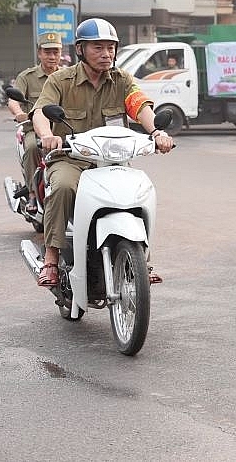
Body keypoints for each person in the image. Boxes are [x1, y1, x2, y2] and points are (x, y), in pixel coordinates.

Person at [31, 18, 174, 288]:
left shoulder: (122, 81)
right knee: (61, 187)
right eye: (98, 47)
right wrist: (47, 136)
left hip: (112, 161)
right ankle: (51, 258)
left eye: (110, 47)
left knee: (139, 191)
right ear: (81, 49)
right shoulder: (61, 80)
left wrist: (157, 132)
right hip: (72, 159)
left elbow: (140, 105)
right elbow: (41, 111)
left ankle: (142, 258)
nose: (106, 54)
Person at [10, 32, 63, 214]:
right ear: (39, 53)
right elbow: (13, 100)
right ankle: (32, 193)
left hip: (61, 128)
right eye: (47, 52)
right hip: (34, 128)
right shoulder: (27, 76)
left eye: (55, 52)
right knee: (33, 147)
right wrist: (19, 113)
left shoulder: (67, 75)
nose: (52, 56)